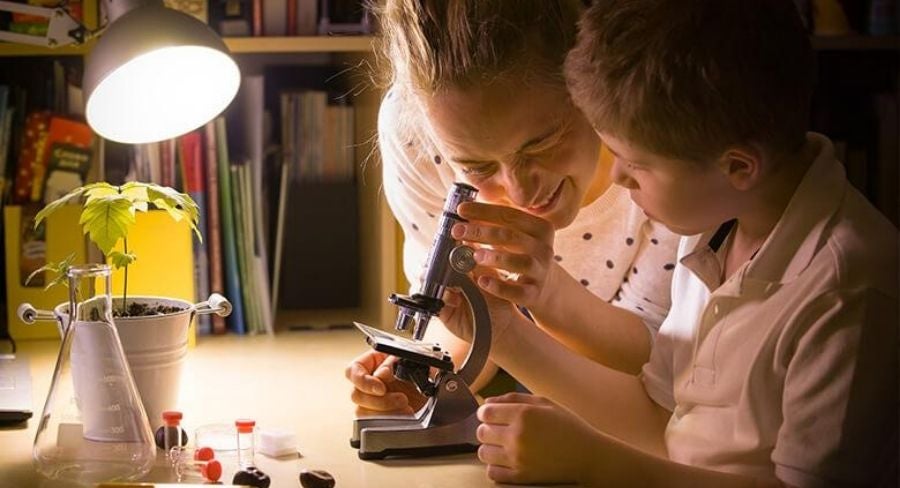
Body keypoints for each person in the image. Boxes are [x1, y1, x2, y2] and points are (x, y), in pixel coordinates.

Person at [469, 0, 899, 485]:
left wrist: (594, 462)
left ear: (738, 167)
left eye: (637, 164)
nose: (618, 177)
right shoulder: (713, 230)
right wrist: (501, 332)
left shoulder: (847, 289)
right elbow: (661, 419)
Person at [346, 0, 680, 414]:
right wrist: (428, 374)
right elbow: (466, 317)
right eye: (477, 167)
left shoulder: (663, 148)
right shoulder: (413, 133)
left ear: (590, 87)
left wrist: (548, 294)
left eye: (541, 145)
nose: (521, 194)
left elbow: (661, 362)